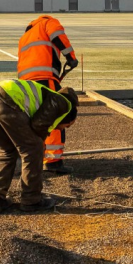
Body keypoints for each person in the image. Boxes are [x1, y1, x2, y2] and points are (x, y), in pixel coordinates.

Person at [0, 78, 78, 214]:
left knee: (7, 150)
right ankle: (32, 200)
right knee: (33, 149)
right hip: (5, 100)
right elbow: (37, 126)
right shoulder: (63, 103)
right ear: (67, 117)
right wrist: (40, 144)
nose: (62, 129)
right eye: (67, 125)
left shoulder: (47, 97)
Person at [17, 15, 78, 173]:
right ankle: (53, 161)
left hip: (26, 82)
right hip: (45, 77)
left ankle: (35, 157)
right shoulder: (48, 22)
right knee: (55, 115)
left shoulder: (25, 36)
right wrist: (71, 58)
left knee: (35, 118)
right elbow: (58, 36)